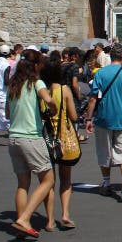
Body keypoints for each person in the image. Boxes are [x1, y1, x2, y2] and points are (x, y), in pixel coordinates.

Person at [5, 49, 56, 239]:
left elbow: (8, 114)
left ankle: (21, 222)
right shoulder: (36, 83)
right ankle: (25, 218)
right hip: (30, 136)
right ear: (35, 66)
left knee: (22, 184)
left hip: (13, 137)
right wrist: (52, 108)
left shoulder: (13, 86)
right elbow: (48, 98)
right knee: (48, 179)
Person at [85, 43, 122, 202]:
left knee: (104, 151)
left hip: (104, 118)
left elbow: (93, 98)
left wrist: (89, 118)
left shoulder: (101, 73)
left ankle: (106, 183)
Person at [40, 55, 78, 230]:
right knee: (65, 179)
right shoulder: (64, 91)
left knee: (48, 182)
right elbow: (73, 116)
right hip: (63, 138)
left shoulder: (42, 91)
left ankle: (49, 220)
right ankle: (65, 214)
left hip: (46, 138)